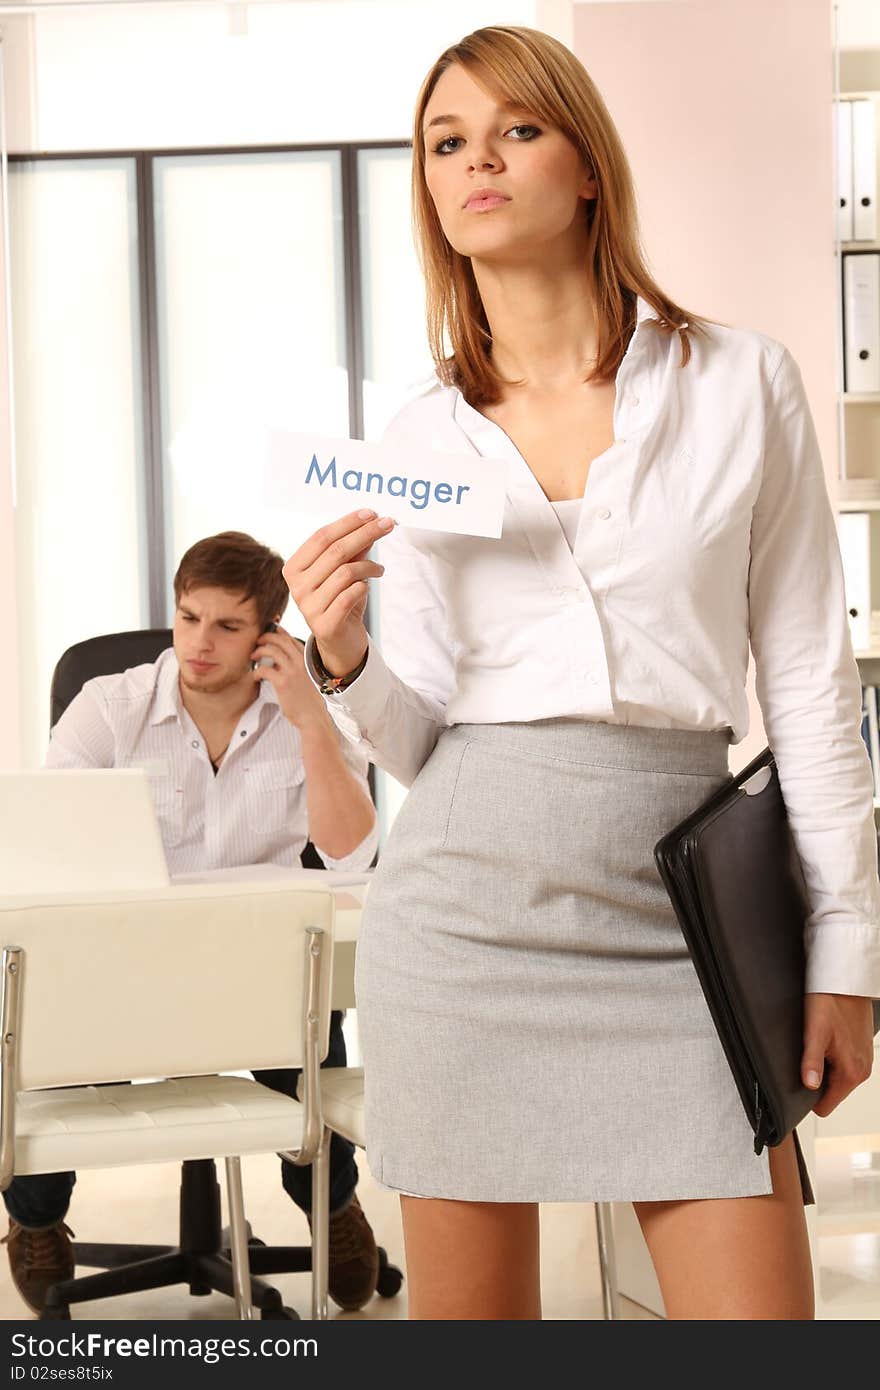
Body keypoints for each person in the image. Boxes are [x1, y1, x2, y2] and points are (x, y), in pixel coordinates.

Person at [284, 26, 880, 1320]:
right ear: (429, 190)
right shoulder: (418, 437)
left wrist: (847, 950)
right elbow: (423, 736)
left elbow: (813, 688)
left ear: (588, 165)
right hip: (461, 928)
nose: (477, 161)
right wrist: (345, 657)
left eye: (517, 129)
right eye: (447, 143)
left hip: (688, 928)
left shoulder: (739, 384)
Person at [3, 531, 381, 1316]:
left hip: (255, 968)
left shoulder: (310, 711)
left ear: (271, 634)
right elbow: (51, 847)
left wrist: (311, 723)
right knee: (46, 1032)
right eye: (188, 618)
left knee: (312, 1022)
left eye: (227, 627)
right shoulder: (110, 706)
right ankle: (36, 1220)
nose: (199, 644)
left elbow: (355, 857)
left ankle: (333, 1206)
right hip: (123, 964)